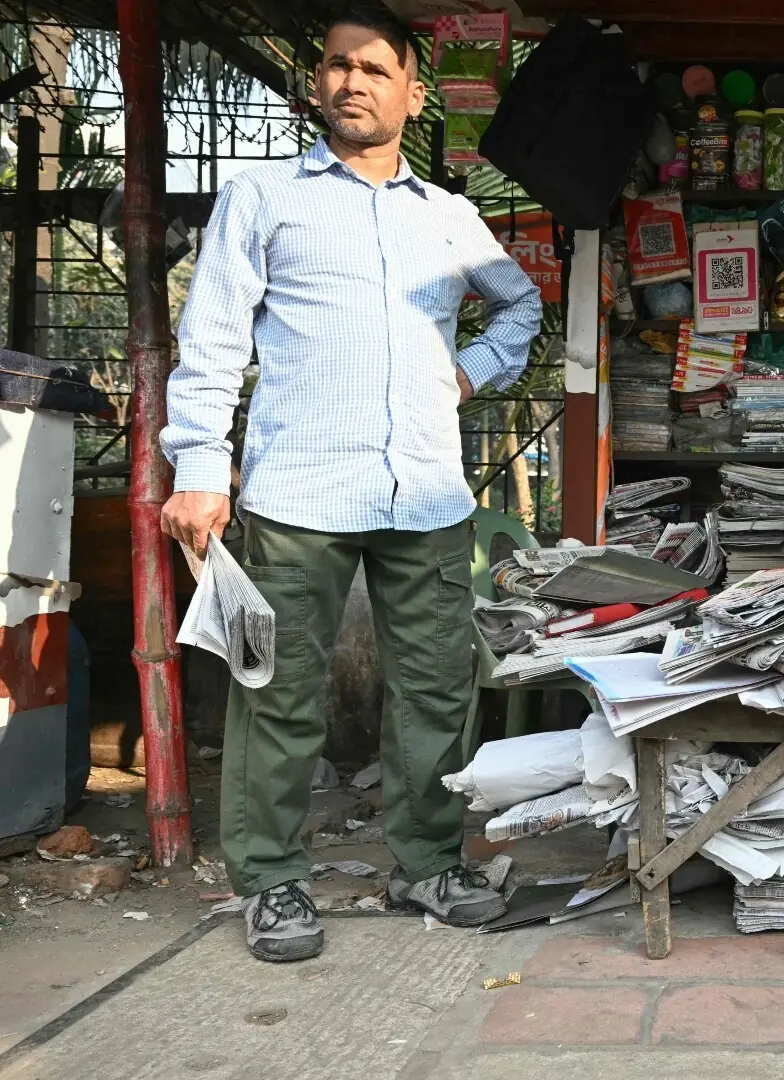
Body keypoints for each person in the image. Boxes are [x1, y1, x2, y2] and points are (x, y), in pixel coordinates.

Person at [159, 5, 541, 962]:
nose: (353, 82)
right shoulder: (266, 198)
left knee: (435, 689)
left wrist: (469, 371)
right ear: (315, 82)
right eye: (338, 66)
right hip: (300, 490)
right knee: (279, 691)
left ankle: (425, 863)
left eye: (375, 69)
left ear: (413, 94)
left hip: (425, 492)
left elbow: (522, 304)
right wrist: (201, 466)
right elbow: (210, 338)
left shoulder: (450, 218)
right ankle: (274, 881)